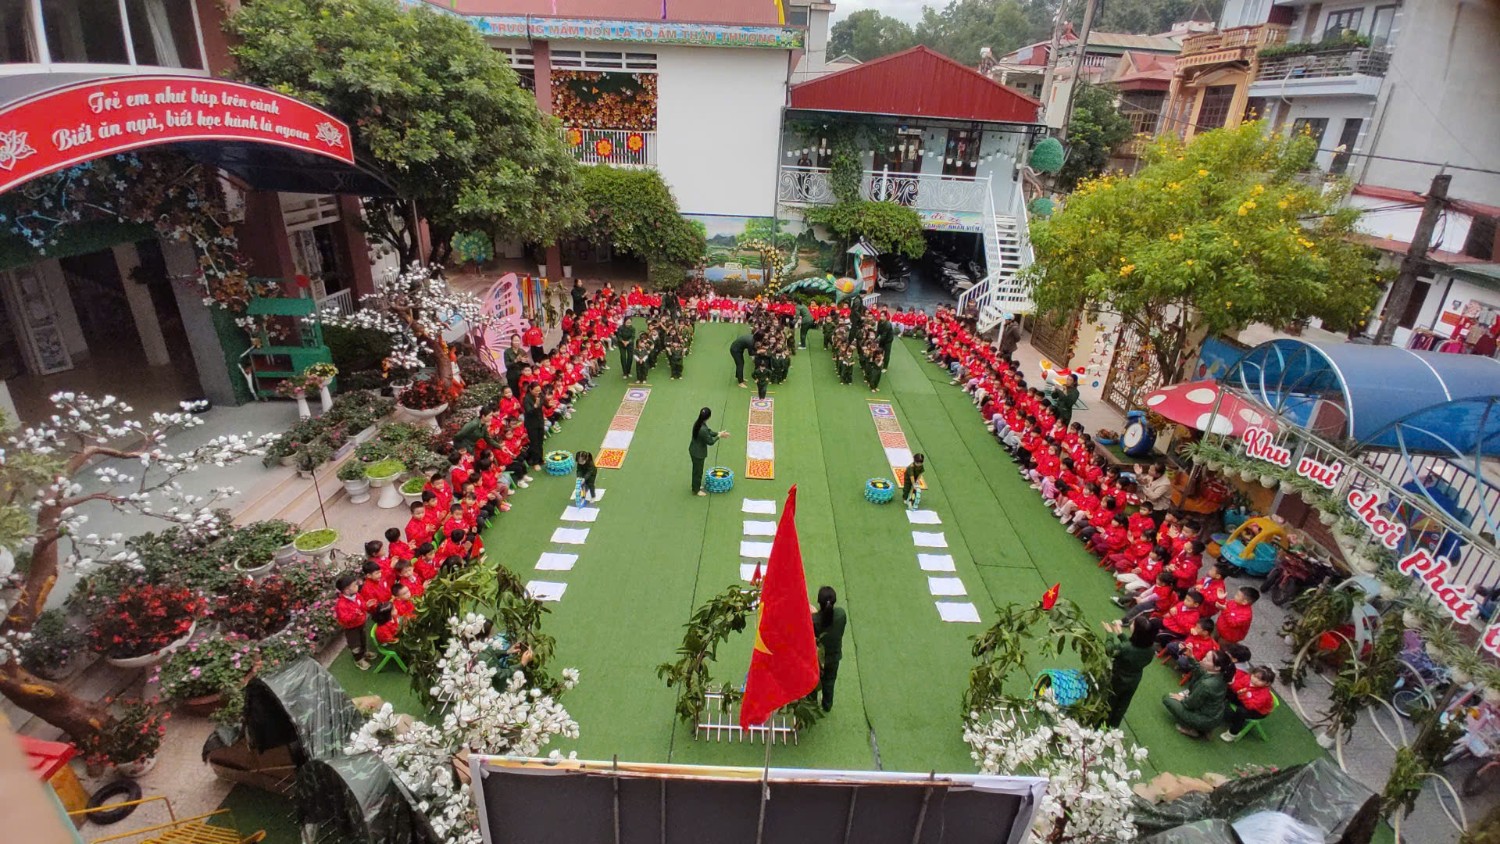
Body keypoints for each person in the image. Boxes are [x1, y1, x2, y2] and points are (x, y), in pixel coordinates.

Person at [1101, 616, 1156, 727]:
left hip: (1118, 677)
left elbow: (1110, 650)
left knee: (1110, 701)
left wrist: (1109, 634)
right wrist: (1121, 635)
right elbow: (1133, 646)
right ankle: (1114, 726)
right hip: (1134, 679)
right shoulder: (1151, 648)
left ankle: (1101, 723)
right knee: (1122, 704)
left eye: (1133, 624)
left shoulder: (1126, 648)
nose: (1131, 624)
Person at [1164, 648, 1229, 738]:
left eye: (1207, 659)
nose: (1204, 659)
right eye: (1205, 656)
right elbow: (1201, 672)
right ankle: (1204, 729)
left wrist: (1182, 699)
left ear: (1217, 667)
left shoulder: (1207, 684)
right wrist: (1191, 657)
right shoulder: (1221, 676)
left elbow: (1190, 704)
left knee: (1167, 698)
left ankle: (1193, 729)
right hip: (1213, 716)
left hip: (1203, 718)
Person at [811, 586, 847, 712]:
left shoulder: (813, 620)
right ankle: (827, 705)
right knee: (829, 681)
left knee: (813, 682)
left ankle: (812, 705)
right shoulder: (841, 615)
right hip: (834, 657)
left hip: (817, 659)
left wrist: (813, 613)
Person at [1221, 665, 1276, 741]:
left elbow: (1250, 706)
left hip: (1257, 711)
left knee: (1241, 712)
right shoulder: (1248, 678)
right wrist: (1234, 686)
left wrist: (1242, 694)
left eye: (1260, 680)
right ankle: (1214, 709)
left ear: (1267, 684)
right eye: (1254, 676)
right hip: (1244, 699)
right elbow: (1236, 685)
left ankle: (1233, 733)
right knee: (1228, 691)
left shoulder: (1264, 695)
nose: (1255, 680)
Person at [688, 407, 730, 496]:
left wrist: (718, 433)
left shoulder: (699, 423)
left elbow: (709, 432)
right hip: (698, 453)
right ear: (708, 417)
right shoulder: (702, 429)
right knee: (698, 471)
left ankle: (696, 485)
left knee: (697, 470)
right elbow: (710, 442)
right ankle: (696, 490)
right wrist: (719, 436)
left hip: (694, 450)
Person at [335, 574, 371, 670]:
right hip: (351, 628)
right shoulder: (341, 605)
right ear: (347, 590)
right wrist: (355, 614)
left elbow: (362, 605)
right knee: (355, 644)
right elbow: (345, 619)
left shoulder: (357, 595)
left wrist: (366, 606)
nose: (357, 586)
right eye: (354, 585)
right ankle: (358, 660)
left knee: (363, 639)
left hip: (361, 623)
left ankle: (364, 652)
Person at [522, 382, 546, 471]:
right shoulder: (526, 399)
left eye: (539, 390)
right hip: (531, 424)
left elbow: (544, 403)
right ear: (530, 390)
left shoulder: (540, 395)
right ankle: (535, 462)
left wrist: (549, 404)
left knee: (540, 442)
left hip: (540, 421)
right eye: (536, 391)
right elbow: (528, 411)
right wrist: (535, 405)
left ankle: (540, 459)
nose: (538, 392)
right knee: (534, 443)